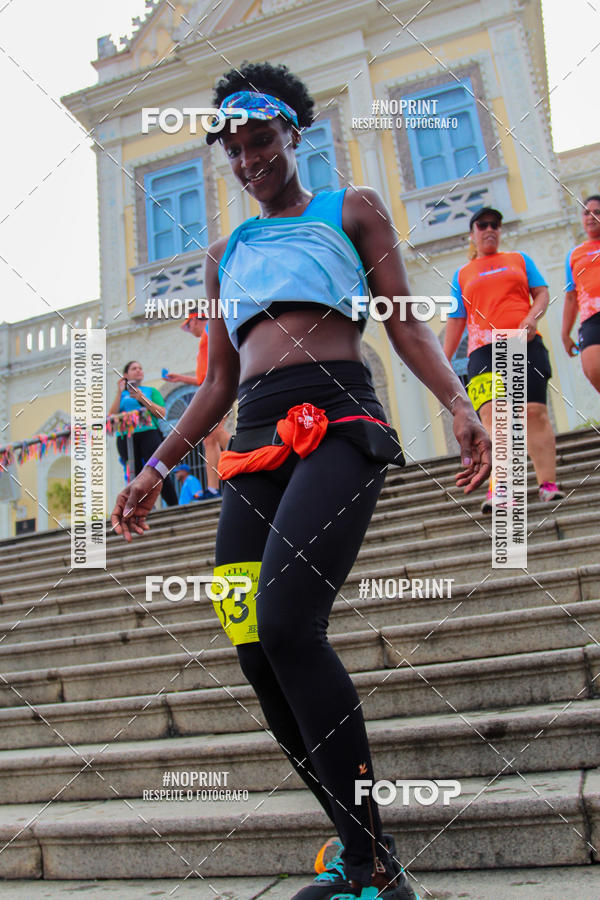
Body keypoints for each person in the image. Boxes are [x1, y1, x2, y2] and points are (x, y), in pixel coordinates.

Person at [112, 62, 491, 900]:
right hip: (251, 443)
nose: (248, 159)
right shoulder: (225, 255)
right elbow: (216, 381)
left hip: (339, 421)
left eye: (261, 141)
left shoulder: (352, 209)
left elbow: (405, 326)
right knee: (253, 645)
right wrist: (156, 466)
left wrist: (461, 404)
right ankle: (361, 850)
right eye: (234, 149)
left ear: (294, 132)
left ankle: (370, 866)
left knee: (289, 622)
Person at [444, 207, 565, 512]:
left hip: (525, 344)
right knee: (493, 417)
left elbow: (541, 294)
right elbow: (457, 320)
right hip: (483, 351)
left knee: (534, 413)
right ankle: (501, 490)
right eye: (482, 225)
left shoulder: (519, 260)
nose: (490, 229)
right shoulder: (462, 274)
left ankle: (548, 485)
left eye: (495, 225)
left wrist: (532, 317)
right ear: (472, 234)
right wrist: (442, 362)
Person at [164, 308, 231, 498]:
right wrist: (180, 378)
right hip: (213, 389)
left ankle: (247, 461)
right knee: (210, 438)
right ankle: (213, 488)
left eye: (188, 325)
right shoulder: (208, 335)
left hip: (217, 389)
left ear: (194, 320)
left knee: (215, 433)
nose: (189, 329)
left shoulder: (211, 329)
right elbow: (203, 378)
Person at [108, 360, 177, 506]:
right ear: (125, 375)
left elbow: (161, 413)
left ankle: (173, 504)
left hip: (149, 433)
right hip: (126, 437)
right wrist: (119, 392)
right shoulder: (121, 395)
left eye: (140, 368)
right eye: (134, 369)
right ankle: (140, 507)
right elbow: (112, 416)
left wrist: (141, 398)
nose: (138, 370)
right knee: (134, 474)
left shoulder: (150, 391)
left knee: (157, 469)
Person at [562, 194, 600, 393]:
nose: (591, 217)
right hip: (591, 320)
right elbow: (571, 297)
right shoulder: (574, 254)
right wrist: (565, 333)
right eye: (586, 213)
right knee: (593, 368)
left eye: (597, 212)